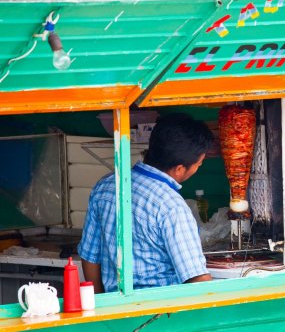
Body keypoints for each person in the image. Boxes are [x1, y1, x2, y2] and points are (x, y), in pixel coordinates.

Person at [78, 113, 213, 293]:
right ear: (180, 169)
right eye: (199, 164)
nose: (198, 168)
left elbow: (89, 257)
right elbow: (197, 280)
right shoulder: (172, 206)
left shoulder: (107, 186)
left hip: (114, 310)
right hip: (160, 315)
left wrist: (102, 305)